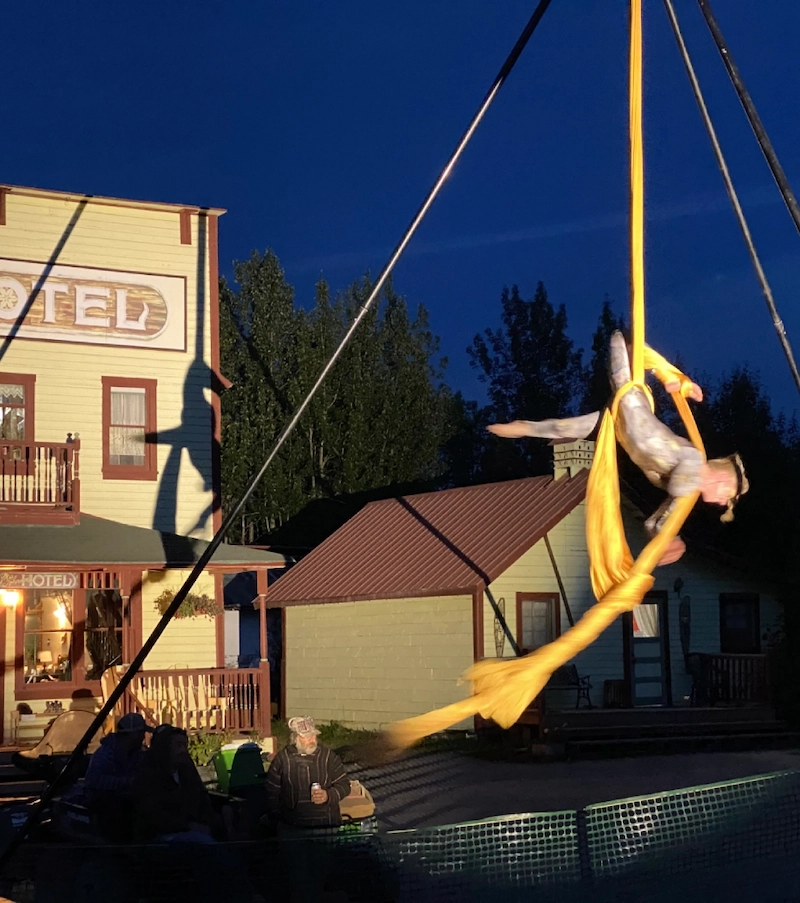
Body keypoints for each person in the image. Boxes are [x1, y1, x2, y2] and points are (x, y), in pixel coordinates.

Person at [488, 331, 748, 565]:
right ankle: (650, 358)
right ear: (722, 479)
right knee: (622, 343)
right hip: (632, 405)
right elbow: (669, 512)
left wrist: (661, 542)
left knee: (561, 429)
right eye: (727, 497)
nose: (722, 502)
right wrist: (667, 536)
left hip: (620, 426)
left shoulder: (686, 486)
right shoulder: (693, 465)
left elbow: (653, 522)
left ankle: (519, 427)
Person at [265, 716, 352, 900]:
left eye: (313, 735)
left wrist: (328, 795)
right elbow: (272, 791)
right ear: (295, 738)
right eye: (306, 736)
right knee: (297, 878)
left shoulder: (328, 757)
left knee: (320, 874)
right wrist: (278, 818)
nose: (312, 739)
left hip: (324, 826)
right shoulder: (283, 759)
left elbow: (345, 785)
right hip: (293, 828)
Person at [131, 724, 215, 843]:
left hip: (190, 829)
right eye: (178, 745)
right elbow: (153, 816)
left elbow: (201, 797)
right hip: (159, 836)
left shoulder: (186, 769)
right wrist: (188, 825)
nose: (183, 750)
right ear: (165, 748)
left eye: (184, 745)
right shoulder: (148, 774)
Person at [84, 711, 150, 839]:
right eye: (141, 733)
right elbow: (93, 780)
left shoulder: (140, 753)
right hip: (105, 807)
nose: (143, 737)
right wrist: (130, 782)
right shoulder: (105, 753)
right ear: (132, 735)